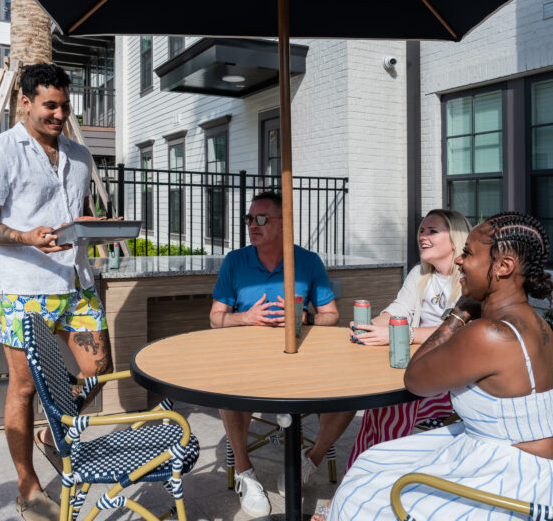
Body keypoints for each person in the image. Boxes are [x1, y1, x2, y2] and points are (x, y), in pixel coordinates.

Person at [326, 211, 553, 520]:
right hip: (530, 462)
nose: (460, 261)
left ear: (503, 267)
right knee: (375, 459)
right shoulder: (537, 323)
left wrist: (459, 312)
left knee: (362, 490)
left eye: (470, 253)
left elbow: (415, 378)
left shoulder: (488, 334)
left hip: (510, 476)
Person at [0, 63, 113, 521]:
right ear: (25, 102)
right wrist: (26, 236)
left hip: (76, 282)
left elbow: (78, 211)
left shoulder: (78, 155)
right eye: (50, 105)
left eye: (65, 106)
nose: (59, 114)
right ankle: (28, 488)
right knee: (25, 388)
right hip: (23, 288)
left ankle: (52, 433)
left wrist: (96, 226)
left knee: (99, 367)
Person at [210, 191, 354, 517]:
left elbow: (331, 315)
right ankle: (246, 473)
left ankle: (310, 461)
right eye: (249, 218)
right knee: (225, 390)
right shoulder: (235, 261)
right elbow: (215, 318)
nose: (252, 225)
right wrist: (245, 318)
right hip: (249, 360)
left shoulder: (307, 262)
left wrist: (307, 318)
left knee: (350, 396)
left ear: (282, 224)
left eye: (261, 218)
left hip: (300, 357)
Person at [346, 209, 471, 466]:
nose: (423, 236)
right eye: (422, 230)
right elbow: (397, 311)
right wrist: (367, 327)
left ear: (454, 239)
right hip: (419, 365)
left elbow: (457, 332)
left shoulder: (469, 280)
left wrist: (402, 335)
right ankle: (362, 473)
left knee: (394, 406)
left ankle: (383, 472)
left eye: (433, 231)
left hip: (453, 379)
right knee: (378, 404)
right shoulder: (420, 274)